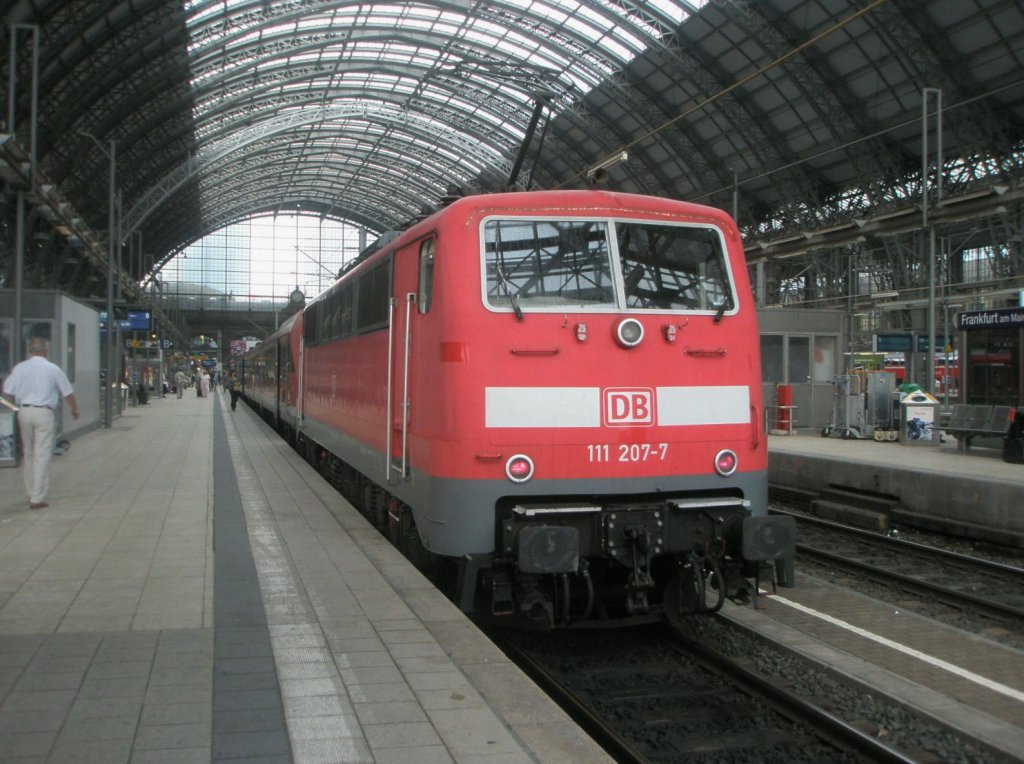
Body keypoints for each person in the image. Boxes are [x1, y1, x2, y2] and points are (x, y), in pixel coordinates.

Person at [2, 337, 80, 509]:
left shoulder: (20, 368)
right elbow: (67, 392)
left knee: (28, 452)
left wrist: (14, 405)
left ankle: (30, 491)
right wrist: (74, 409)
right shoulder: (53, 369)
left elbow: (7, 390)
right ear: (45, 351)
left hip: (24, 411)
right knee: (42, 453)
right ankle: (37, 497)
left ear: (30, 351)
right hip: (44, 412)